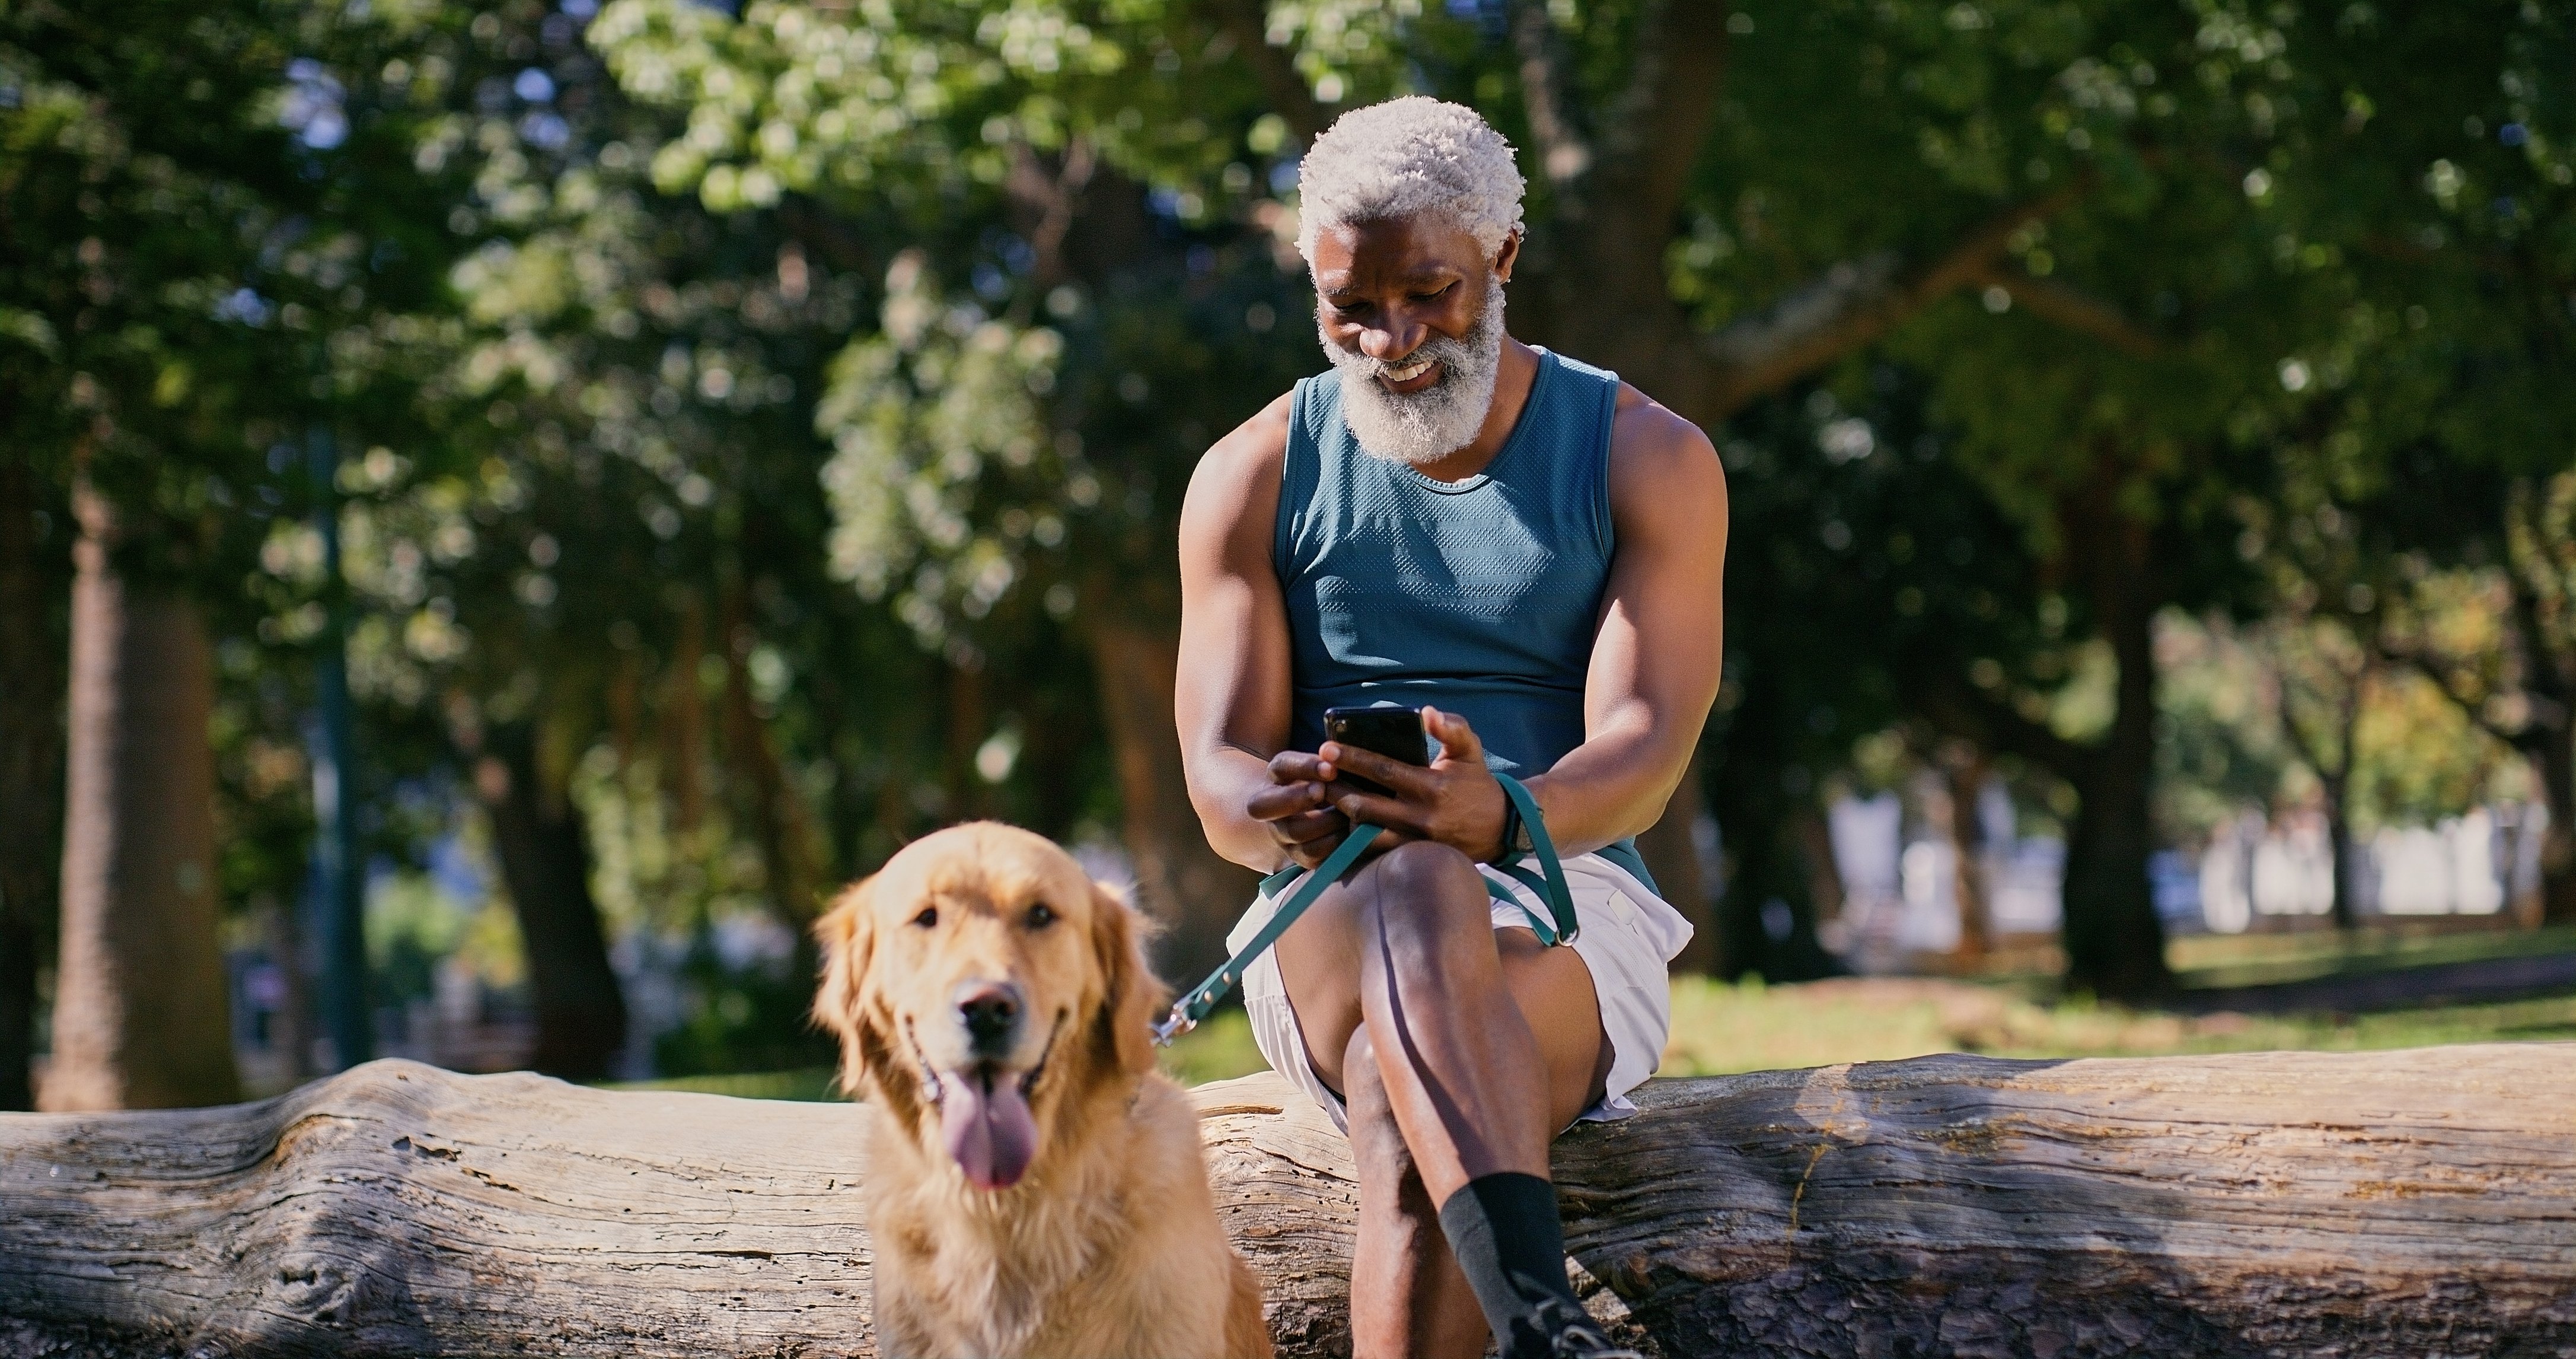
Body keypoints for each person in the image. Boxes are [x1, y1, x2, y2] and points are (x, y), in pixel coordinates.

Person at [1176, 97, 1729, 1359]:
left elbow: (1644, 747)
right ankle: (1544, 1330)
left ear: (1506, 259)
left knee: (1399, 1087)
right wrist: (1297, 801)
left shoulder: (1648, 455)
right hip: (1327, 903)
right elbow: (1214, 774)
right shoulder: (1254, 470)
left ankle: (1535, 1330)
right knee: (1413, 873)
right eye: (1348, 308)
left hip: (1574, 889)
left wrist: (1507, 814)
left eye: (1431, 292)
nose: (1391, 339)